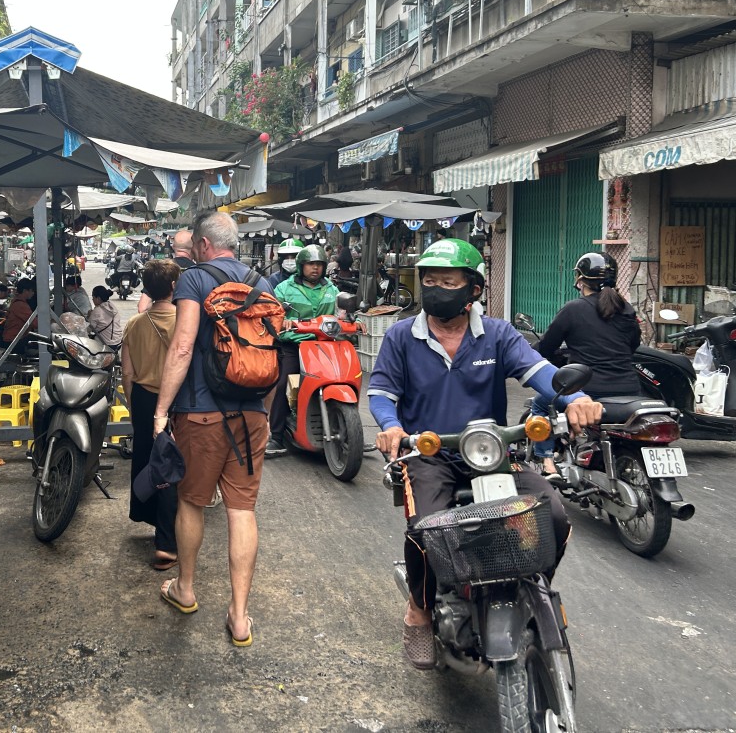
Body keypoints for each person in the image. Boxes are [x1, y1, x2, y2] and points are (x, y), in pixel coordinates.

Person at [367, 238, 602, 669]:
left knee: (552, 516)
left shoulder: (497, 334)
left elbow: (539, 371)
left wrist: (576, 399)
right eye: (430, 280)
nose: (437, 288)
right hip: (429, 453)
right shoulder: (402, 335)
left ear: (473, 289)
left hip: (492, 451)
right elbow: (382, 392)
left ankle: (532, 586)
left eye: (448, 281)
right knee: (425, 530)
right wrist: (392, 427)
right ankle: (418, 611)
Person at [153, 211, 273, 648]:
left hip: (201, 414)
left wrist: (161, 410)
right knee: (242, 510)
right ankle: (240, 617)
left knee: (191, 502)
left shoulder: (194, 280)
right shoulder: (264, 283)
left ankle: (185, 590)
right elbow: (270, 355)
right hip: (252, 416)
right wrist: (265, 414)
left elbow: (183, 346)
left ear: (203, 245)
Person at [530, 252, 641, 475]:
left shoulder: (573, 309)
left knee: (541, 404)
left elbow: (545, 348)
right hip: (630, 389)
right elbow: (632, 346)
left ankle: (547, 462)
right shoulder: (627, 309)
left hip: (589, 390)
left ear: (580, 280)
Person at [122, 260, 182, 570]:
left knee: (148, 461)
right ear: (174, 286)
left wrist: (134, 409)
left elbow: (128, 373)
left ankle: (151, 519)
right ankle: (167, 539)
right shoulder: (186, 323)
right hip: (177, 402)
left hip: (145, 401)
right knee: (172, 466)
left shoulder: (135, 324)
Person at [268, 245, 339, 455]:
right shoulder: (284, 288)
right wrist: (284, 321)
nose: (315, 268)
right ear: (301, 266)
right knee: (284, 385)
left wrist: (356, 319)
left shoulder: (332, 289)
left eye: (319, 264)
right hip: (294, 344)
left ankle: (347, 427)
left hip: (324, 345)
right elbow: (273, 313)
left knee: (338, 379)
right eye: (310, 264)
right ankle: (277, 437)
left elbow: (342, 313)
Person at [138, 230, 195, 313]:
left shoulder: (160, 270)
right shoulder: (200, 272)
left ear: (173, 247)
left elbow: (142, 308)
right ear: (194, 248)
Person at [0, 278, 37, 350]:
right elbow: (35, 323)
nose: (33, 293)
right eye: (32, 291)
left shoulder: (17, 301)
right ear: (25, 291)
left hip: (16, 337)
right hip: (14, 340)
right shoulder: (20, 305)